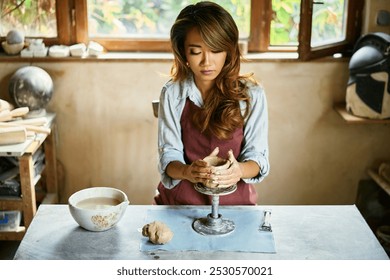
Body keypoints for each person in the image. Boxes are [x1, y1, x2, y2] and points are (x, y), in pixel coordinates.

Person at [154, 1, 269, 205]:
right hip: (181, 202)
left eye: (215, 50)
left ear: (229, 51)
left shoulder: (251, 95)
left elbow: (257, 158)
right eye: (196, 52)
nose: (207, 62)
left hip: (235, 204)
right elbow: (169, 155)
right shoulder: (172, 93)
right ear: (184, 54)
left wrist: (238, 170)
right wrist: (188, 171)